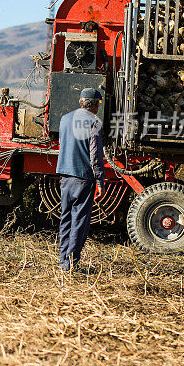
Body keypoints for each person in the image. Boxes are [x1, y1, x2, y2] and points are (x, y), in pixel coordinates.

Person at [55, 88, 105, 272]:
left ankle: (62, 261)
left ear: (80, 102)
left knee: (65, 218)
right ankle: (71, 263)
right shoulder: (94, 122)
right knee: (79, 222)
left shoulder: (65, 119)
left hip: (66, 177)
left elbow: (63, 145)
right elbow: (95, 156)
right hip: (83, 178)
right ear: (95, 106)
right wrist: (100, 181)